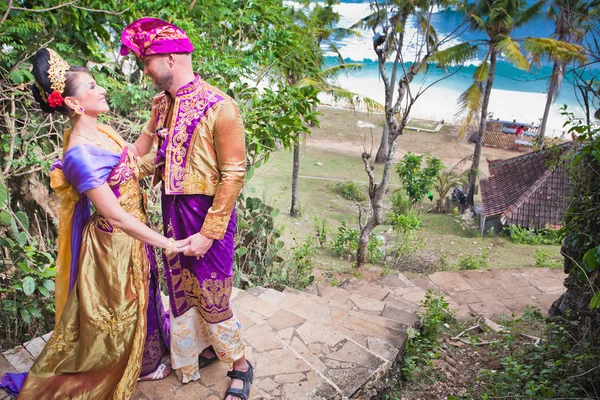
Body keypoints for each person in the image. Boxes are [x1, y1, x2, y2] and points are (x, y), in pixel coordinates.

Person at [0, 48, 190, 399]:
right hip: (113, 243)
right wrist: (169, 244)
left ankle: (147, 361)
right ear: (73, 104)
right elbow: (114, 214)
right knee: (120, 309)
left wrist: (153, 122)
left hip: (135, 233)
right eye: (91, 86)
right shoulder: (79, 155)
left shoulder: (99, 131)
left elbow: (131, 157)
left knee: (143, 296)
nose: (102, 89)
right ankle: (125, 366)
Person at [120, 18, 252, 400]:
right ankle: (199, 351)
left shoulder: (219, 106)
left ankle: (241, 365)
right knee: (182, 292)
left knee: (212, 295)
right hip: (172, 212)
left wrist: (210, 232)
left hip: (209, 213)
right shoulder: (161, 104)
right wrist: (102, 169)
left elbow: (234, 172)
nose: (145, 70)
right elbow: (147, 159)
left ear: (171, 58)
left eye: (147, 61)